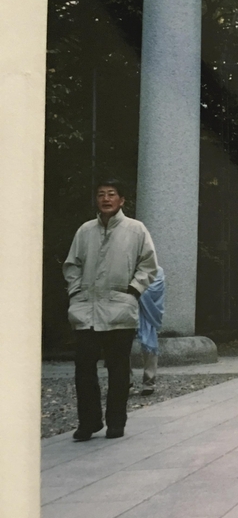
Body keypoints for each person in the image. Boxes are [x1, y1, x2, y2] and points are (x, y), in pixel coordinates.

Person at [63, 178, 158, 441]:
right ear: (96, 200)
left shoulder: (136, 230)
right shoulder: (85, 231)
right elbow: (72, 265)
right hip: (86, 310)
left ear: (122, 200)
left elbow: (149, 265)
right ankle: (89, 421)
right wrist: (75, 292)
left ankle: (116, 422)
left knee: (118, 370)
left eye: (111, 194)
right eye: (101, 194)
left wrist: (133, 291)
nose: (106, 198)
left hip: (119, 309)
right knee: (83, 369)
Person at [136, 265, 165, 394]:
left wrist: (135, 291)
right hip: (129, 308)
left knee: (150, 345)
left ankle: (149, 380)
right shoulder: (128, 268)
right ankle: (126, 380)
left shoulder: (157, 270)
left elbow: (156, 290)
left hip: (148, 311)